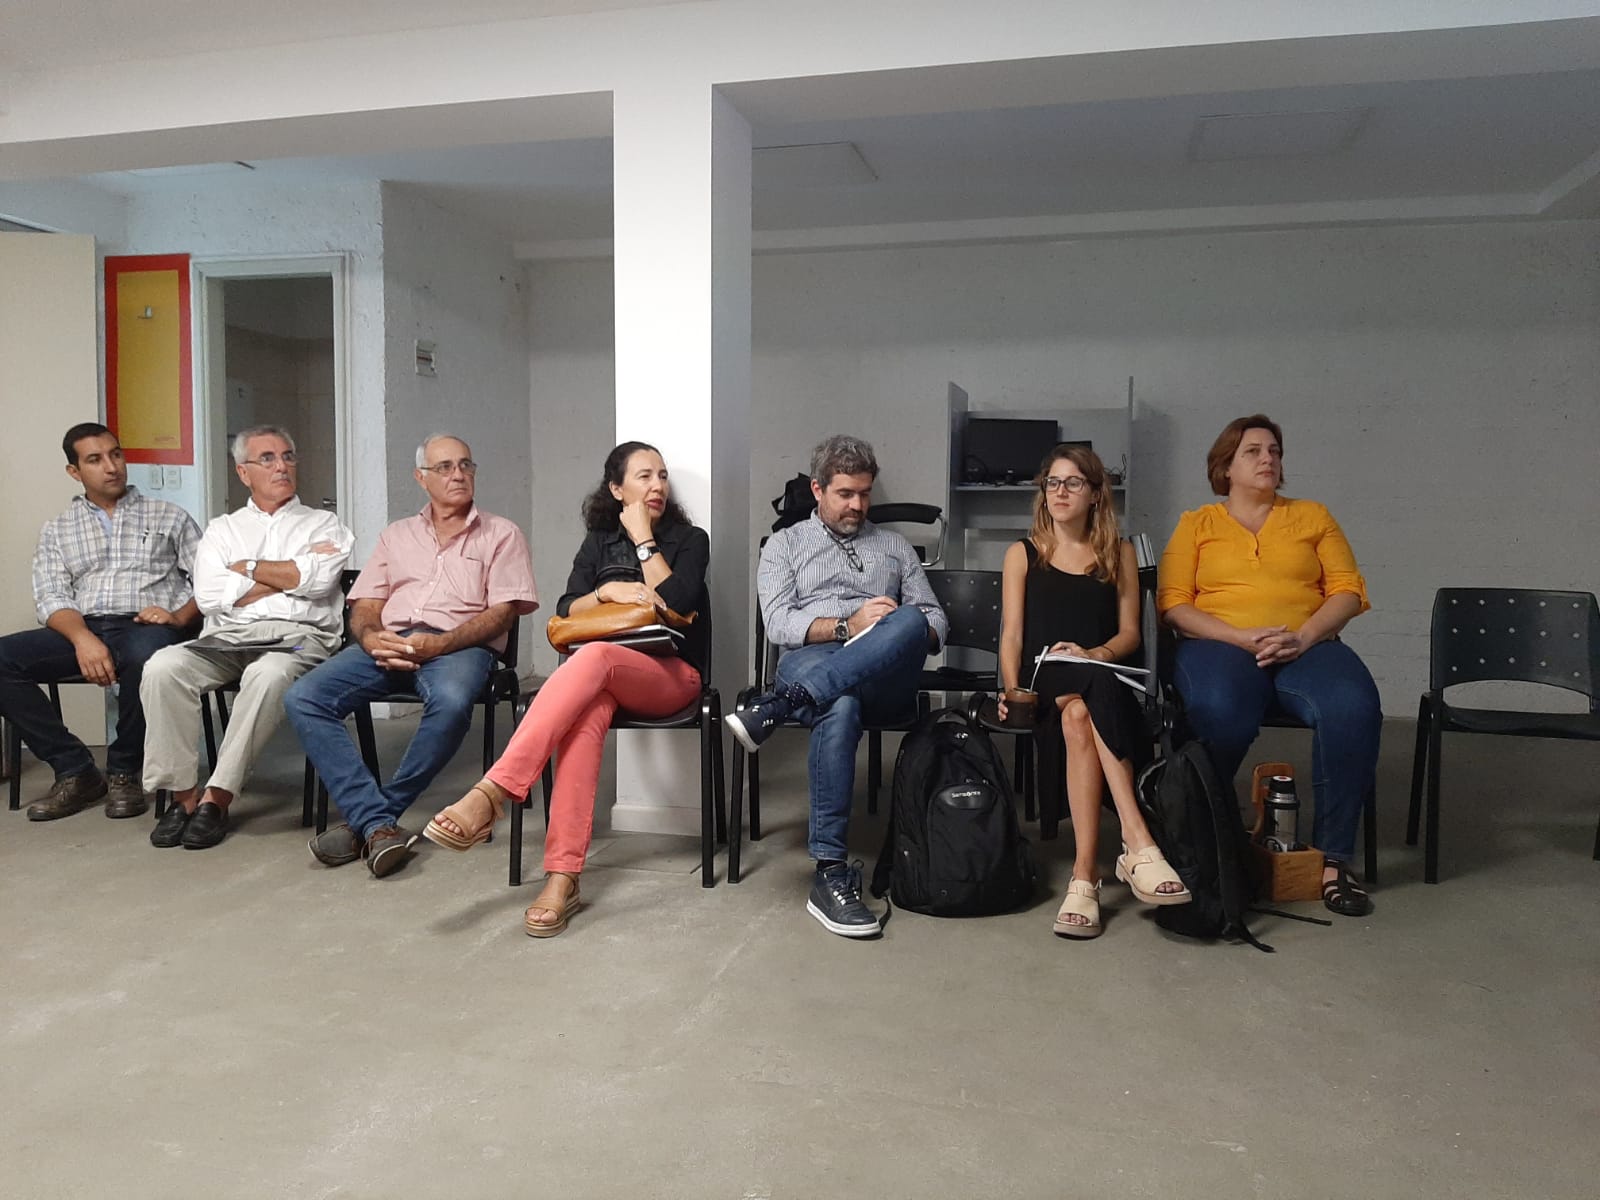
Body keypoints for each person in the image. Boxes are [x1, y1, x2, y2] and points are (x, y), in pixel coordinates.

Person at [423, 441, 708, 936]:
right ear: (616, 489)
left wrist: (644, 540)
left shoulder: (690, 539)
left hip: (671, 676)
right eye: (643, 476)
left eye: (662, 475)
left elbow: (680, 600)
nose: (657, 485)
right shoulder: (599, 542)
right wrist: (605, 591)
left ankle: (494, 791)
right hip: (602, 679)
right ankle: (562, 878)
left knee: (592, 657)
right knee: (586, 714)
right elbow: (566, 606)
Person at [1157, 414, 1379, 917]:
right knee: (1220, 709)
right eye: (1253, 451)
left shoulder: (1313, 516)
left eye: (1274, 451)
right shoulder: (1197, 524)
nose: (1268, 459)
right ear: (1226, 467)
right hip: (1219, 644)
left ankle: (1333, 860)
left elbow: (1348, 591)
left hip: (1307, 644)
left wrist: (1303, 637)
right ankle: (1211, 839)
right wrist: (1238, 636)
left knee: (1353, 708)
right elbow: (1173, 604)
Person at [286, 434, 537, 879]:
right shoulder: (396, 535)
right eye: (444, 467)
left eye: (465, 465)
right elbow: (365, 605)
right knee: (304, 696)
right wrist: (371, 638)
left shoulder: (502, 534)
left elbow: (502, 613)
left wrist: (442, 643)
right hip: (390, 642)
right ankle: (377, 822)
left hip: (460, 648)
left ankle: (374, 819)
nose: (458, 474)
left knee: (453, 701)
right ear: (421, 478)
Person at [728, 434, 948, 940]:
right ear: (817, 489)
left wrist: (894, 630)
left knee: (911, 618)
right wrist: (850, 625)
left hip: (884, 677)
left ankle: (782, 705)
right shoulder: (783, 546)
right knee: (840, 703)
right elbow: (779, 624)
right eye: (845, 493)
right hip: (812, 660)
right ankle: (830, 873)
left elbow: (936, 620)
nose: (857, 505)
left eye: (864, 494)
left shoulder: (894, 547)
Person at [996, 444, 1188, 938]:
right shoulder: (1022, 553)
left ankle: (1084, 878)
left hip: (1098, 680)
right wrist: (1012, 689)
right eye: (1053, 482)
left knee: (1081, 713)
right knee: (1086, 688)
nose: (1060, 492)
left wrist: (1094, 654)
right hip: (1042, 676)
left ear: (1096, 494)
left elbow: (1130, 635)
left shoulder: (1119, 553)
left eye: (1073, 483)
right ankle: (1137, 840)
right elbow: (1012, 636)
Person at [141, 425, 353, 850]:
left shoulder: (324, 524)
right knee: (162, 667)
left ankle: (217, 797)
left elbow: (316, 582)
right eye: (267, 459)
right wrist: (288, 575)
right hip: (228, 637)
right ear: (243, 472)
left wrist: (249, 568)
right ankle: (183, 796)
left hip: (299, 636)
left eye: (288, 456)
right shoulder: (222, 529)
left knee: (269, 674)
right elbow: (209, 596)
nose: (281, 466)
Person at [0, 423, 200, 821]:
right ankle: (75, 770)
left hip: (147, 625)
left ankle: (124, 771)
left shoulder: (170, 516)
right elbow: (51, 596)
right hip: (84, 626)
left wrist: (177, 616)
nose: (111, 466)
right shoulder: (58, 529)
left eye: (116, 454)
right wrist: (83, 639)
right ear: (74, 471)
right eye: (95, 459)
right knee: (3, 658)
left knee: (148, 657)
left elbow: (211, 584)